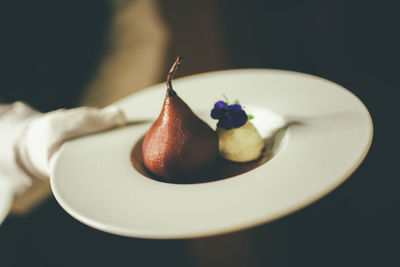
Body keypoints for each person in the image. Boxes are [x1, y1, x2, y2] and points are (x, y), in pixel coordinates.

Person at [0, 0, 169, 223]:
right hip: (20, 213)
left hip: (117, 168)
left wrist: (98, 124)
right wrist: (23, 147)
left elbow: (134, 32)